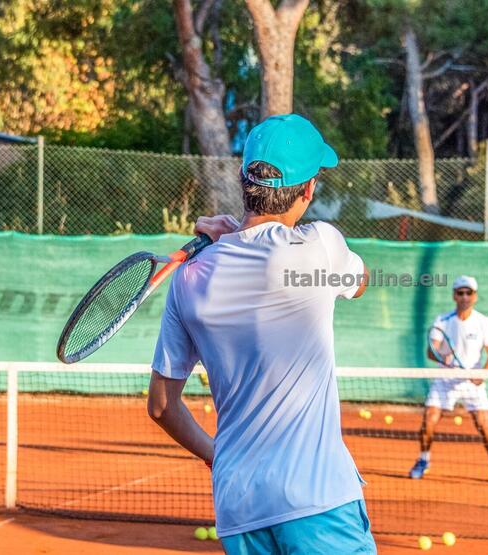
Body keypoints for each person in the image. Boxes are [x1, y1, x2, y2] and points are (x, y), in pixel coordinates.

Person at [146, 114, 376, 554]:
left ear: (242, 179)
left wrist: (219, 457)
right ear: (308, 190)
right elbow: (360, 281)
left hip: (238, 508)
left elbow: (161, 406)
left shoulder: (189, 278)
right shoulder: (321, 246)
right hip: (318, 500)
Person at [408, 275, 488, 483]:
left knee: (483, 424)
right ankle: (423, 460)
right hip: (445, 379)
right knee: (429, 420)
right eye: (460, 292)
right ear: (454, 295)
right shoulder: (442, 321)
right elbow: (431, 351)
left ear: (475, 296)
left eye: (469, 293)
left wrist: (482, 374)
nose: (464, 297)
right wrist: (440, 356)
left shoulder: (484, 323)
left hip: (472, 381)